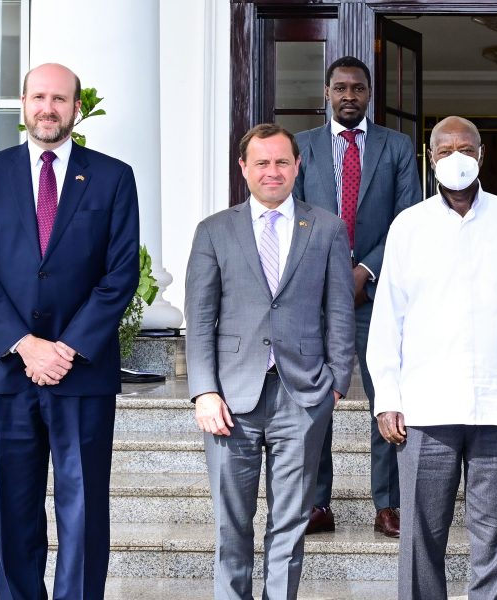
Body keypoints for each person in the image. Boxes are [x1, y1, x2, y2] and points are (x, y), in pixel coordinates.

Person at [0, 63, 140, 600]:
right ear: (23, 104)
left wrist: (66, 348)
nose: (48, 107)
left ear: (76, 108)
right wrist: (24, 344)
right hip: (10, 371)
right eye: (39, 96)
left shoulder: (112, 177)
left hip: (81, 372)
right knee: (13, 508)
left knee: (83, 509)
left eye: (60, 99)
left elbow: (120, 273)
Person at [368, 116, 497, 599]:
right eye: (445, 149)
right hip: (426, 407)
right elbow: (388, 319)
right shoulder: (408, 226)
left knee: (495, 535)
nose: (456, 157)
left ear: (482, 155)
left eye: (466, 148)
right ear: (430, 159)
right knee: (420, 534)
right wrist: (386, 397)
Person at [185, 123, 356, 600]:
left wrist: (336, 382)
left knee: (290, 524)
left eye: (282, 161)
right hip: (229, 402)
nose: (272, 171)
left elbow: (340, 310)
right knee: (231, 526)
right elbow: (199, 320)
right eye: (261, 162)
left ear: (298, 166)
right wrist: (204, 391)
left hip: (302, 398)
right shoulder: (214, 231)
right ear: (244, 168)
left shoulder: (325, 227)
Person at [292, 56, 422, 538]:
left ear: (370, 94)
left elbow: (408, 220)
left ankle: (388, 503)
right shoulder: (300, 147)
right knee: (316, 400)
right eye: (341, 88)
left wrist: (365, 269)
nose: (349, 96)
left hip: (378, 296)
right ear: (326, 93)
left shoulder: (397, 147)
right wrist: (332, 274)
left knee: (386, 397)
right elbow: (295, 216)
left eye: (358, 89)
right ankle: (315, 503)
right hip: (314, 297)